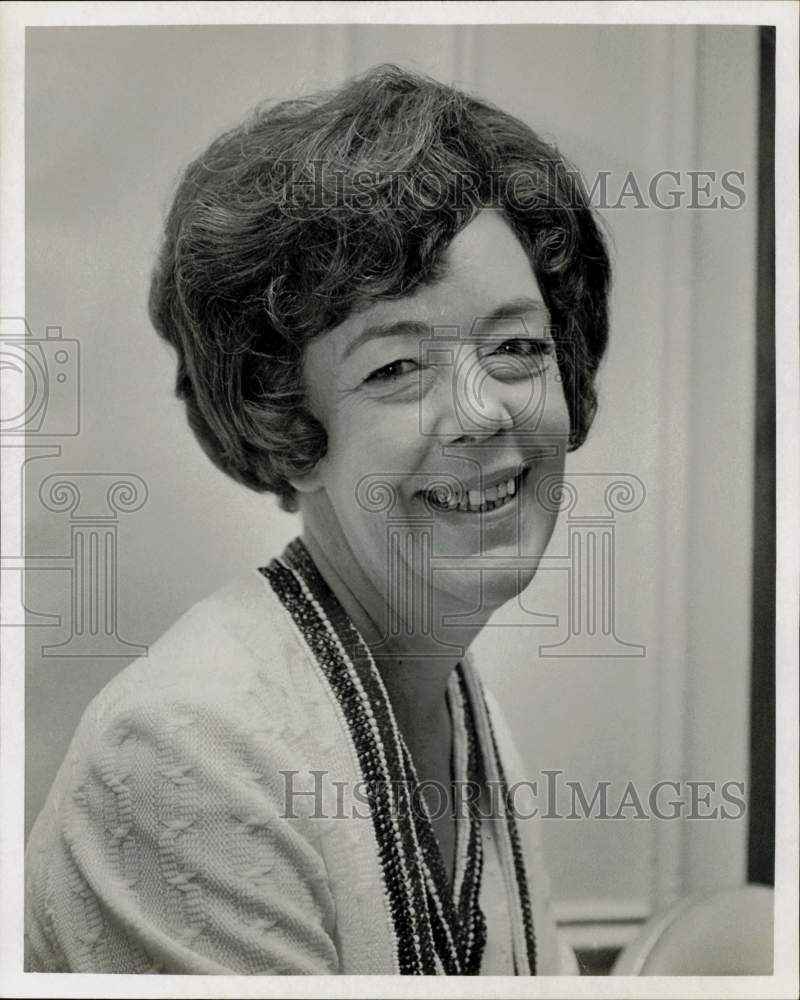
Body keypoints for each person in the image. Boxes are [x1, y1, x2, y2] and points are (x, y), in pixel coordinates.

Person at [24, 64, 609, 976]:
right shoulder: (192, 749)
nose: (485, 412)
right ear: (293, 429)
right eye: (397, 368)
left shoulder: (457, 700)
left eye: (518, 348)